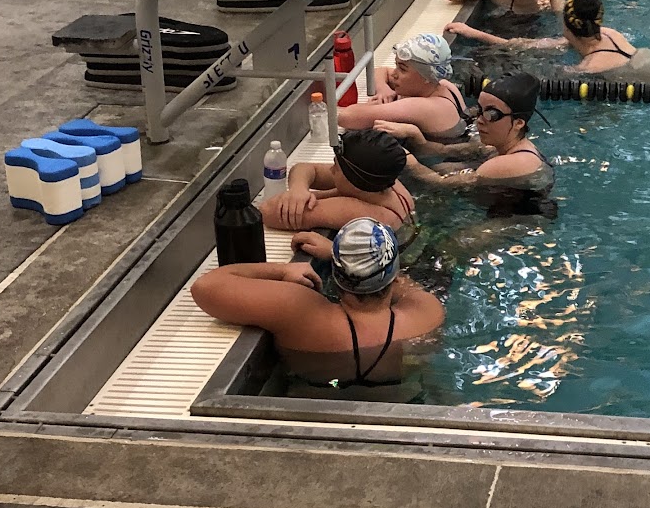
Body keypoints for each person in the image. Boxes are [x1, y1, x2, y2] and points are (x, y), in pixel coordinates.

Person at [191, 218, 444, 391]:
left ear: (335, 273)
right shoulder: (426, 313)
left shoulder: (300, 311)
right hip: (399, 403)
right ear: (394, 273)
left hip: (311, 400)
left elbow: (206, 287)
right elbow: (405, 285)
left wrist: (282, 271)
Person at [378, 70, 556, 213]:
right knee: (444, 167)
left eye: (492, 114)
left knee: (455, 245)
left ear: (518, 123)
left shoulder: (511, 162)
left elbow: (438, 183)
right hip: (502, 201)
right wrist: (414, 134)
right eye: (480, 109)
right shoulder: (496, 146)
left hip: (520, 219)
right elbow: (440, 150)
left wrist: (407, 158)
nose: (480, 119)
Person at [449, 0, 650, 82]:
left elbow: (528, 53)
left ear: (567, 26)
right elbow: (525, 44)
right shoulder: (610, 34)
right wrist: (473, 32)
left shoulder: (590, 67)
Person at [259, 129, 415, 245]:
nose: (331, 170)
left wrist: (306, 199)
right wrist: (298, 190)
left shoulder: (360, 212)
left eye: (336, 167)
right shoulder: (387, 185)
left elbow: (267, 211)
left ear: (352, 180)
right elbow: (305, 168)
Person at [338, 32, 473, 142]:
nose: (395, 74)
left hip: (444, 157)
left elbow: (345, 118)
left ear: (425, 76)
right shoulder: (443, 85)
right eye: (396, 65)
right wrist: (383, 88)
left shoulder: (422, 106)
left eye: (402, 69)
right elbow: (381, 70)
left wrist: (370, 107)